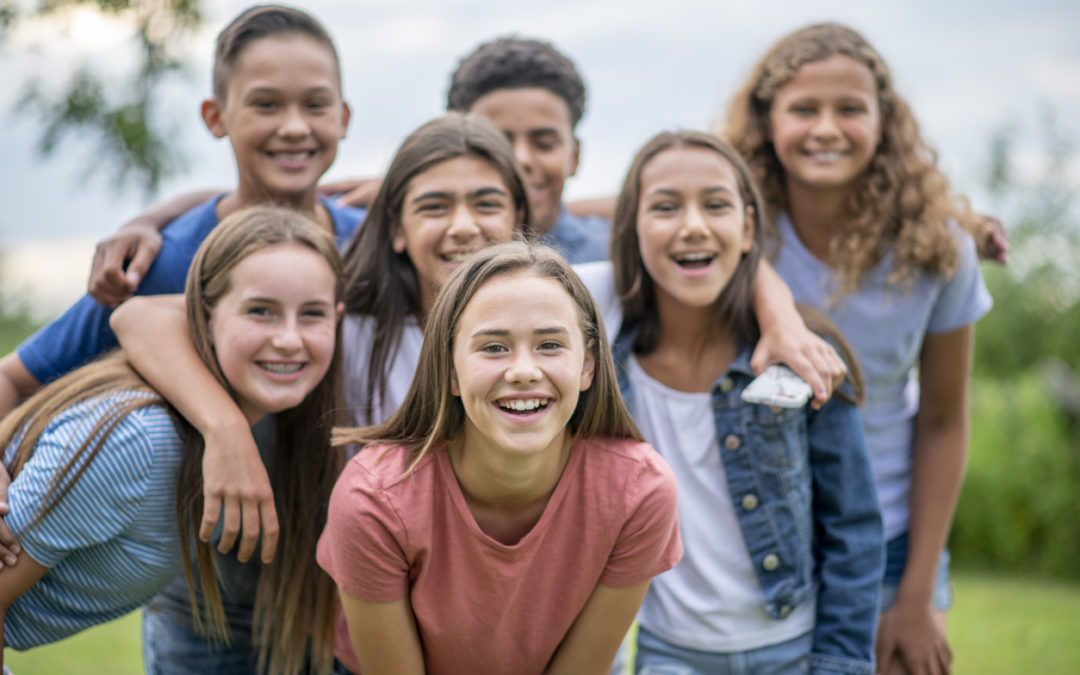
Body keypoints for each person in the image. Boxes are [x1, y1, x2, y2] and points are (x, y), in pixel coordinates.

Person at [0, 3, 359, 565]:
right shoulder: (160, 260)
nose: (294, 125)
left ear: (343, 117)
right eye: (266, 104)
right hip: (197, 602)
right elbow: (13, 379)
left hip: (336, 590)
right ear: (215, 116)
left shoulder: (374, 247)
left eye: (314, 105)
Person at [719, 23, 993, 675]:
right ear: (766, 121)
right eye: (803, 109)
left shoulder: (939, 251)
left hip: (892, 532)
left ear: (884, 121)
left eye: (850, 109)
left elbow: (944, 420)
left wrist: (918, 590)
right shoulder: (733, 227)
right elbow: (637, 201)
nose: (826, 128)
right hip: (761, 527)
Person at [573, 130, 883, 674]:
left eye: (715, 204)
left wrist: (841, 662)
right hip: (670, 652)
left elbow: (853, 527)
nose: (693, 224)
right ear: (633, 231)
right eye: (665, 207)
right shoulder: (599, 357)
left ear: (746, 231)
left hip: (796, 648)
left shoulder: (803, 355)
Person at [0, 206, 345, 675]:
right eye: (260, 311)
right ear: (202, 315)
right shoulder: (142, 442)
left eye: (312, 315)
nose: (288, 339)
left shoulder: (231, 426)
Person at [318, 241, 682, 674]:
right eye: (493, 348)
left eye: (549, 345)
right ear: (449, 370)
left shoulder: (638, 492)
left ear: (587, 365)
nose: (524, 371)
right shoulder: (373, 500)